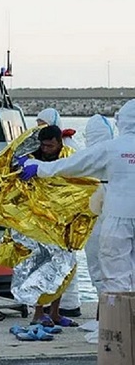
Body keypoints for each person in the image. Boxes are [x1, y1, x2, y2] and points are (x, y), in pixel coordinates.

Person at [20, 99, 135, 294]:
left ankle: (119, 320)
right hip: (118, 210)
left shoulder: (112, 148)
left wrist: (39, 167)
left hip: (117, 215)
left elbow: (73, 165)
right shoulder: (112, 147)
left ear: (122, 121)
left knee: (115, 274)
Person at [15, 125, 80, 327]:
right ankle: (38, 313)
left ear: (59, 143)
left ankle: (55, 313)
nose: (45, 149)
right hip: (39, 223)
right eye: (43, 145)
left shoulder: (70, 158)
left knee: (63, 267)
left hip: (62, 221)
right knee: (39, 266)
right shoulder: (33, 159)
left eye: (50, 145)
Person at [82, 115, 115, 296]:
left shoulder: (86, 159)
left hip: (96, 223)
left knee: (97, 270)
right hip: (118, 222)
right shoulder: (119, 154)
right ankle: (113, 315)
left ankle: (105, 317)